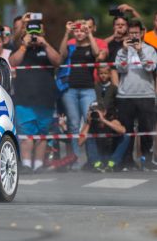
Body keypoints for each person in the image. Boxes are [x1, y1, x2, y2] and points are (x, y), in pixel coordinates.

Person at [9, 20, 61, 173]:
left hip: (45, 100)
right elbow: (12, 62)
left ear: (42, 33)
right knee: (26, 134)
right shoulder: (20, 49)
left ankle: (38, 165)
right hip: (24, 99)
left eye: (36, 33)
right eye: (31, 34)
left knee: (42, 134)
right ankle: (26, 164)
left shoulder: (47, 47)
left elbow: (58, 61)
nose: (34, 37)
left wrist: (44, 44)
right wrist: (24, 45)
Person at [115, 20, 157, 170]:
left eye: (136, 33)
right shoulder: (122, 51)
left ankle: (145, 160)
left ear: (142, 33)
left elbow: (150, 67)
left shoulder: (150, 50)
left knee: (146, 129)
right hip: (125, 96)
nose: (134, 36)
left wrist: (140, 51)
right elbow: (120, 69)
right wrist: (126, 51)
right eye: (131, 33)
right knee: (127, 130)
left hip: (146, 94)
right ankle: (127, 161)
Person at [58, 20, 100, 162]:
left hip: (88, 89)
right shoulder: (70, 47)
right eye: (77, 30)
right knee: (73, 124)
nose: (79, 33)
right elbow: (61, 54)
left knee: (90, 122)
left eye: (82, 30)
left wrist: (90, 35)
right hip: (70, 90)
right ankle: (75, 158)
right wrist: (66, 32)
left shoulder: (90, 45)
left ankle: (92, 159)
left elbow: (97, 53)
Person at [79, 102, 128, 172]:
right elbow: (79, 142)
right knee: (88, 137)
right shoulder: (88, 124)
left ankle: (112, 163)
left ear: (104, 112)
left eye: (97, 111)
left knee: (125, 137)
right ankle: (96, 164)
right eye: (92, 111)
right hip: (97, 156)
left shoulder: (112, 121)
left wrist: (103, 120)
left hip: (110, 156)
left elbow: (123, 131)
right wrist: (88, 123)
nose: (95, 114)